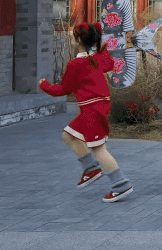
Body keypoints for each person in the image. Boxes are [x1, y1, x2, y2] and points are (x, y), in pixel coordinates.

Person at [39, 23, 134, 202]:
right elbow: (109, 64)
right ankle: (91, 169)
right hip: (97, 107)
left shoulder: (76, 64)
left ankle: (121, 185)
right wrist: (102, 48)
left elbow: (63, 90)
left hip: (92, 110)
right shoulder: (96, 58)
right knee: (68, 136)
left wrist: (43, 85)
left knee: (99, 150)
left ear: (78, 41)